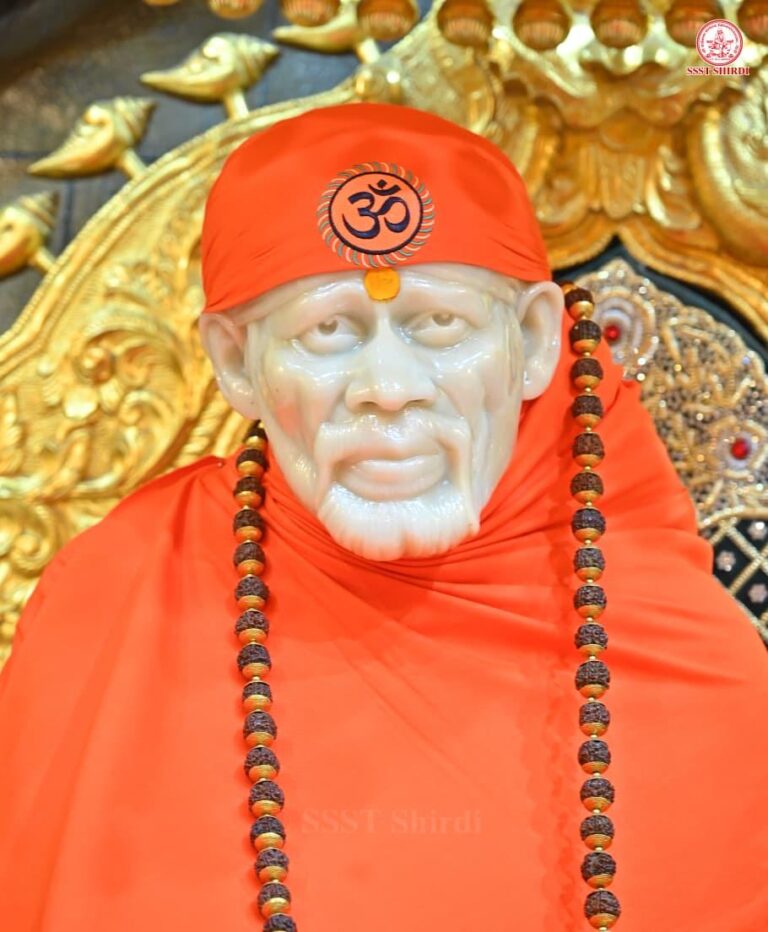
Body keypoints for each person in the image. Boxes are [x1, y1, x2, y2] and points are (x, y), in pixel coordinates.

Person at [0, 103, 766, 932]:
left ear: (536, 340)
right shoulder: (107, 604)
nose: (390, 388)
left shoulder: (687, 663)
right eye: (327, 330)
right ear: (236, 362)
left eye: (440, 325)